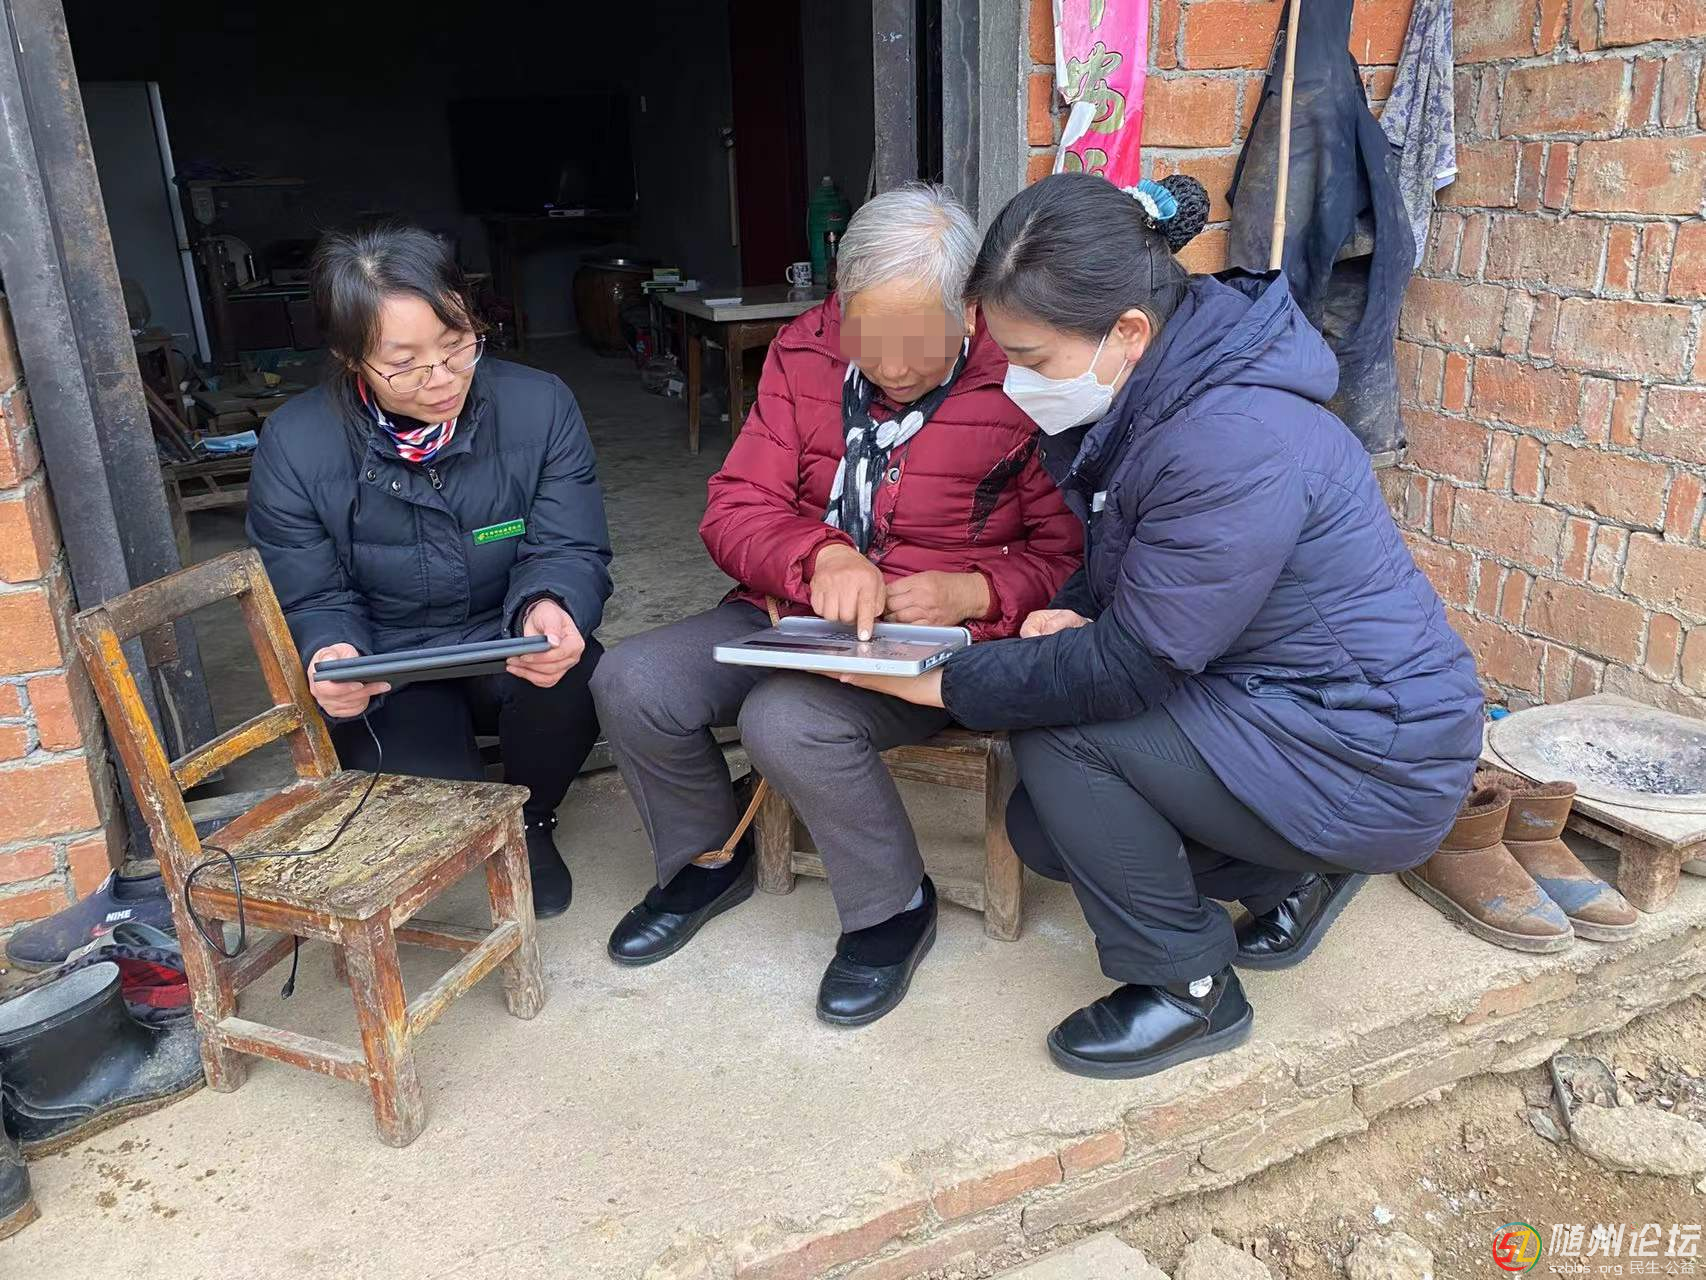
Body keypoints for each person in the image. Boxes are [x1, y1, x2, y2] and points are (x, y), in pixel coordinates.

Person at [842, 173, 1484, 1078]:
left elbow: (1131, 667)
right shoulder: (1167, 395)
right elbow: (1145, 562)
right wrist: (1082, 604)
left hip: (1371, 748)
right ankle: (1292, 875)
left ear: (1129, 333)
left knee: (1063, 735)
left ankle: (1189, 985)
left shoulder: (1229, 437)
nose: (1016, 383)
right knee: (1044, 828)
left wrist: (939, 680)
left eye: (1031, 359)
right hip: (1288, 703)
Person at [591, 185, 1081, 1026]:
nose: (892, 368)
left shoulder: (1023, 375)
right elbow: (736, 505)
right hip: (791, 608)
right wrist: (817, 555)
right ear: (841, 302)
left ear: (969, 310)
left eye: (917, 344)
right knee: (632, 681)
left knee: (786, 720)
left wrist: (972, 591)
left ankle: (892, 909)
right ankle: (708, 859)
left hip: (940, 639)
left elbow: (1069, 558)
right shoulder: (805, 350)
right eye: (869, 338)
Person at [248, 223, 611, 918]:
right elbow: (312, 593)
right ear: (349, 356)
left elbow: (567, 546)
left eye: (456, 345)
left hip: (502, 638)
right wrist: (332, 651)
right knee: (437, 810)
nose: (442, 378)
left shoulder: (539, 405)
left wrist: (551, 603)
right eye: (405, 363)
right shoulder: (295, 444)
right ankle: (476, 818)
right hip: (390, 662)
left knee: (579, 672)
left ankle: (531, 820)